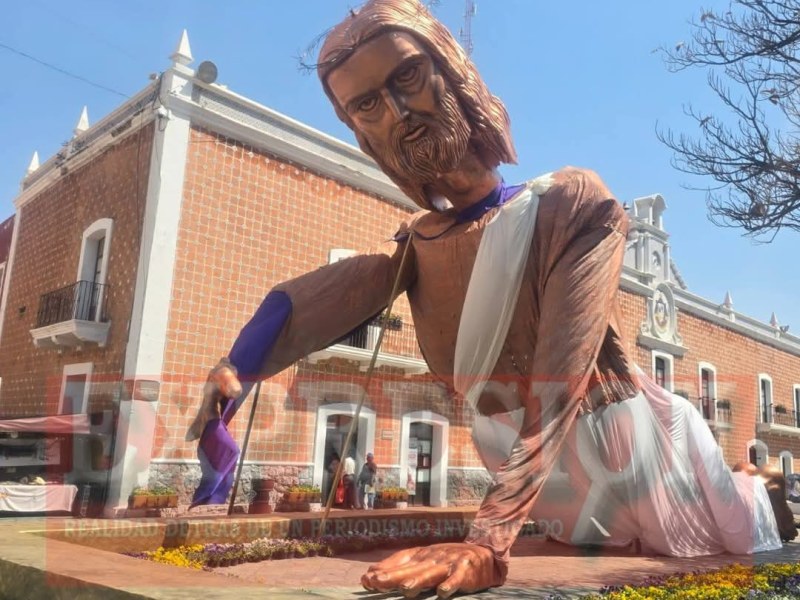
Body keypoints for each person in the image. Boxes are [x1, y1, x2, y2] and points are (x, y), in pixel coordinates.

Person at [187, 0, 797, 597]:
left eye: (407, 75)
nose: (398, 113)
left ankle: (758, 483)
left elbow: (561, 378)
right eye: (367, 104)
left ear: (452, 71)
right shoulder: (418, 244)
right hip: (531, 465)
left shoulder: (572, 205)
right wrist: (236, 363)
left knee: (736, 513)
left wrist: (488, 542)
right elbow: (328, 295)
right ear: (357, 130)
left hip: (627, 448)